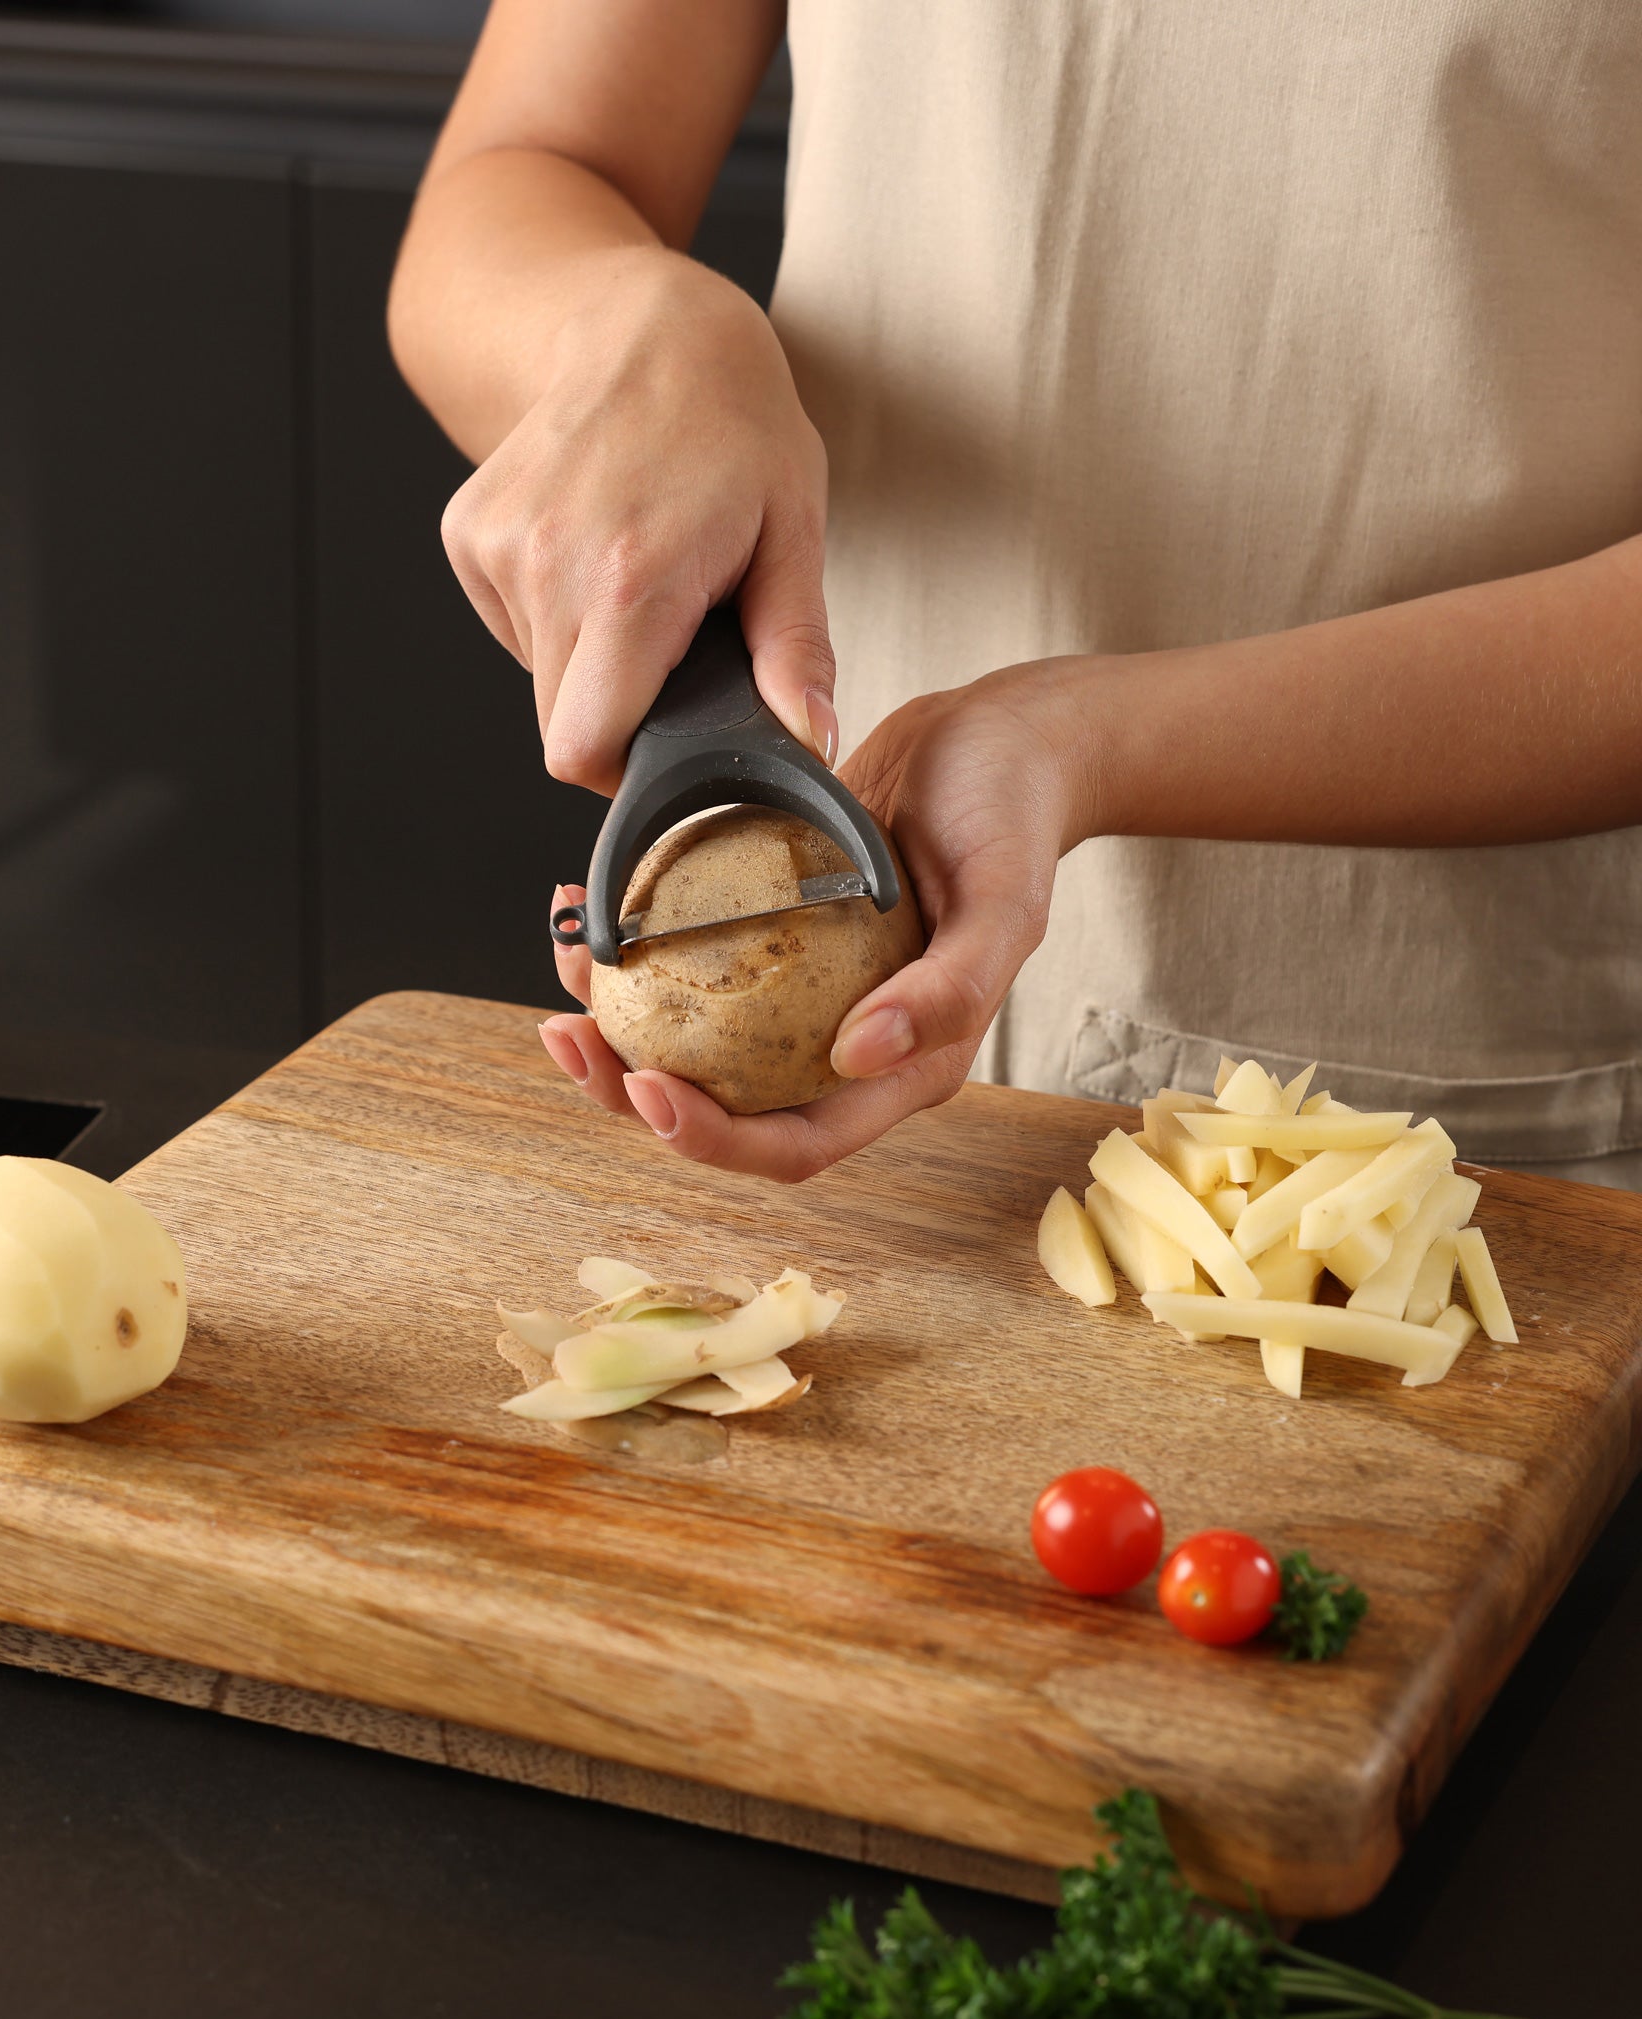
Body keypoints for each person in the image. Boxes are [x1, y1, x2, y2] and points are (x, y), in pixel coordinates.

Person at [388, 1, 1642, 1187]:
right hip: (865, 1047)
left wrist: (1079, 739)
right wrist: (637, 329)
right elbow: (526, 168)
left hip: (1436, 1097)